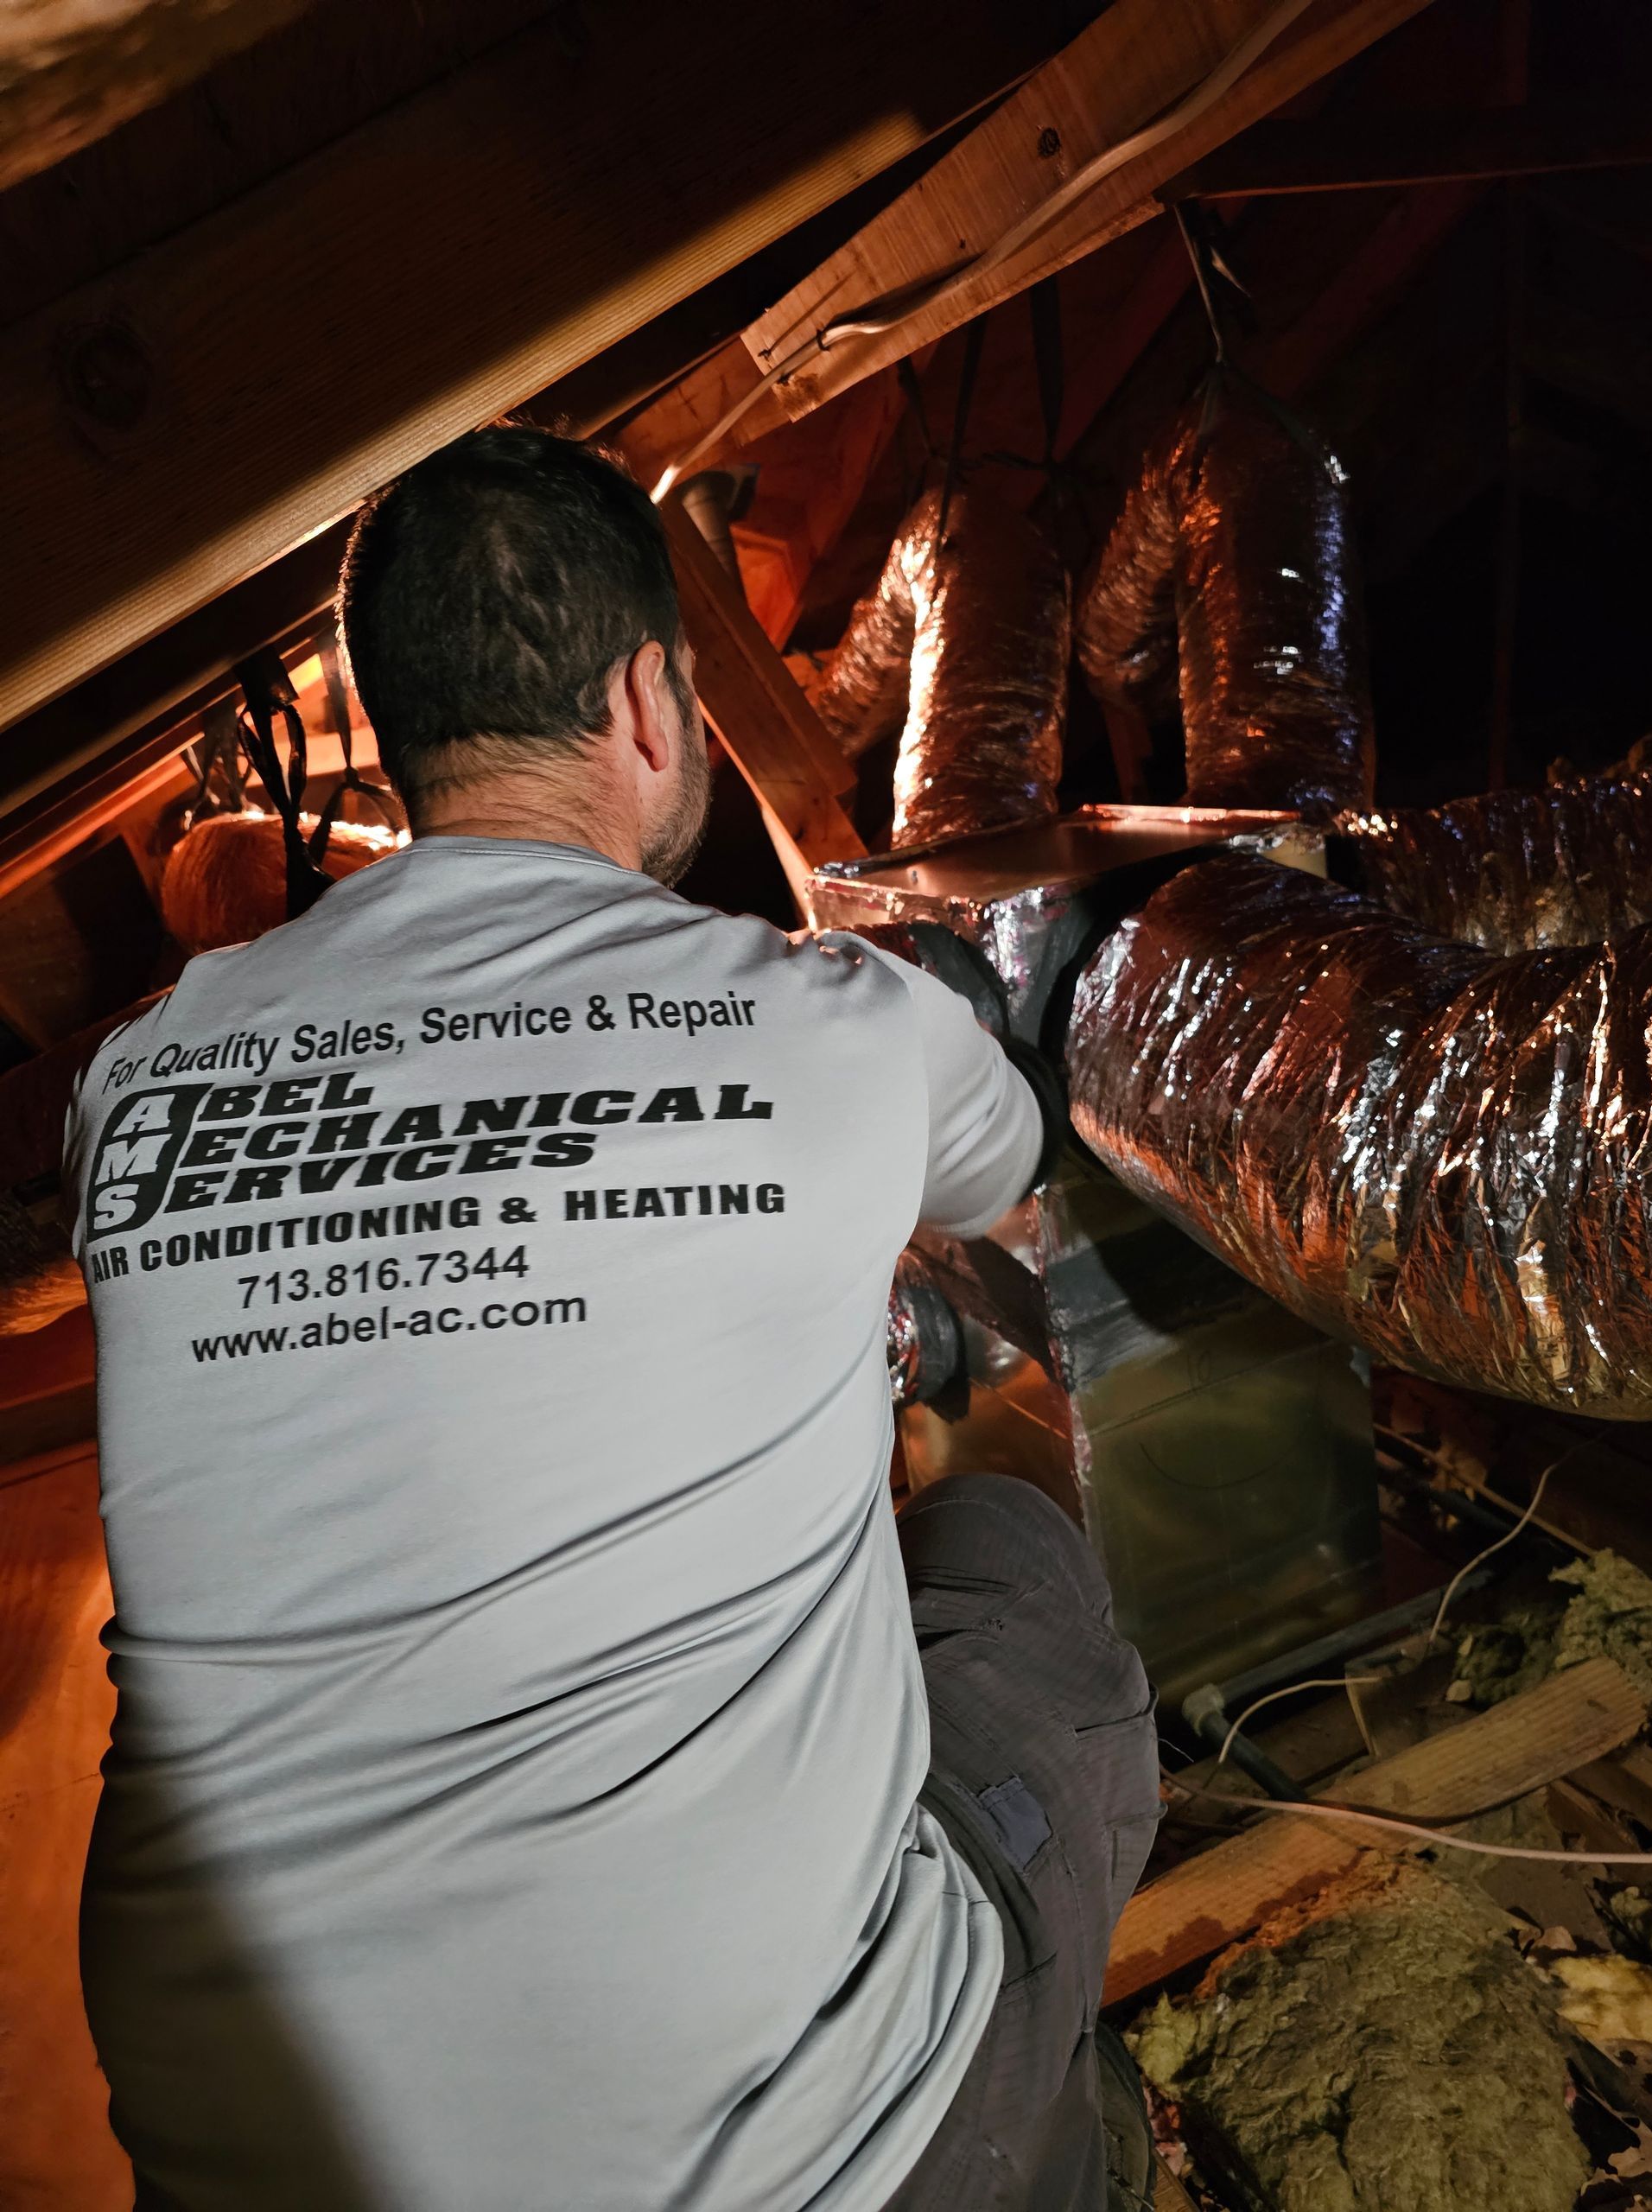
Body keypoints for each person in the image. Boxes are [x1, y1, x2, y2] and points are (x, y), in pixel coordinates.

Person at [64, 428, 1160, 2212]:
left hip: (238, 2156)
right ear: (656, 702)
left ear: (406, 732)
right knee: (1012, 1552)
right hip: (780, 2158)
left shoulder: (139, 1079)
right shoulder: (827, 1024)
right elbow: (1004, 1162)